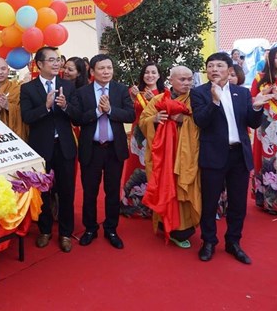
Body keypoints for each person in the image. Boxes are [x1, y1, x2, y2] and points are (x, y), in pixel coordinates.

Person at [190, 52, 271, 264]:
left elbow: (252, 123)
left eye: (219, 65)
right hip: (214, 155)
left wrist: (256, 106)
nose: (214, 69)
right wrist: (214, 102)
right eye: (210, 66)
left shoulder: (241, 93)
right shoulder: (199, 93)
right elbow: (201, 121)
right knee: (209, 202)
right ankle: (209, 241)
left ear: (229, 70)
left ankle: (233, 242)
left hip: (238, 156)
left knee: (238, 204)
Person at [70, 54, 134, 250]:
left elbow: (130, 115)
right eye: (101, 68)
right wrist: (98, 112)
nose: (106, 72)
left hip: (114, 149)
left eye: (109, 68)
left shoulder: (121, 90)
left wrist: (110, 110)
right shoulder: (83, 92)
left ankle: (111, 229)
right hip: (92, 149)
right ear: (92, 71)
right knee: (90, 192)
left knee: (112, 191)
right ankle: (90, 229)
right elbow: (78, 119)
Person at [20, 47, 78, 252]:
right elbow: (27, 117)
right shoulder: (28, 89)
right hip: (41, 148)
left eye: (58, 60)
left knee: (66, 191)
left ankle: (65, 233)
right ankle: (45, 230)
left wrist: (65, 107)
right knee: (43, 191)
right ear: (40, 64)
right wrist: (45, 107)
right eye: (52, 60)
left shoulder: (68, 86)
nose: (57, 63)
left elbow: (78, 115)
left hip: (65, 148)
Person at [139, 66, 200, 248]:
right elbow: (143, 122)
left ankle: (182, 230)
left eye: (190, 79)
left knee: (184, 188)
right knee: (164, 187)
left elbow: (204, 122)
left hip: (186, 156)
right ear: (170, 81)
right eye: (182, 79)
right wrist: (155, 119)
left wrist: (185, 120)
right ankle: (164, 224)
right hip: (163, 157)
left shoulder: (196, 99)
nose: (187, 83)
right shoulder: (158, 99)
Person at [120, 62, 165, 218]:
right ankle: (130, 203)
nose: (150, 75)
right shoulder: (135, 91)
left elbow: (166, 114)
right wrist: (132, 98)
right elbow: (129, 113)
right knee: (135, 166)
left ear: (159, 75)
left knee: (152, 167)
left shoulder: (164, 93)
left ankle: (151, 204)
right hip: (137, 135)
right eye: (147, 72)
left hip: (155, 136)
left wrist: (155, 101)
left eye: (153, 72)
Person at [250, 46, 277, 215]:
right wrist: (264, 95)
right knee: (267, 161)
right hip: (265, 125)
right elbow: (251, 99)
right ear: (271, 59)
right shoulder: (260, 78)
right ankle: (269, 202)